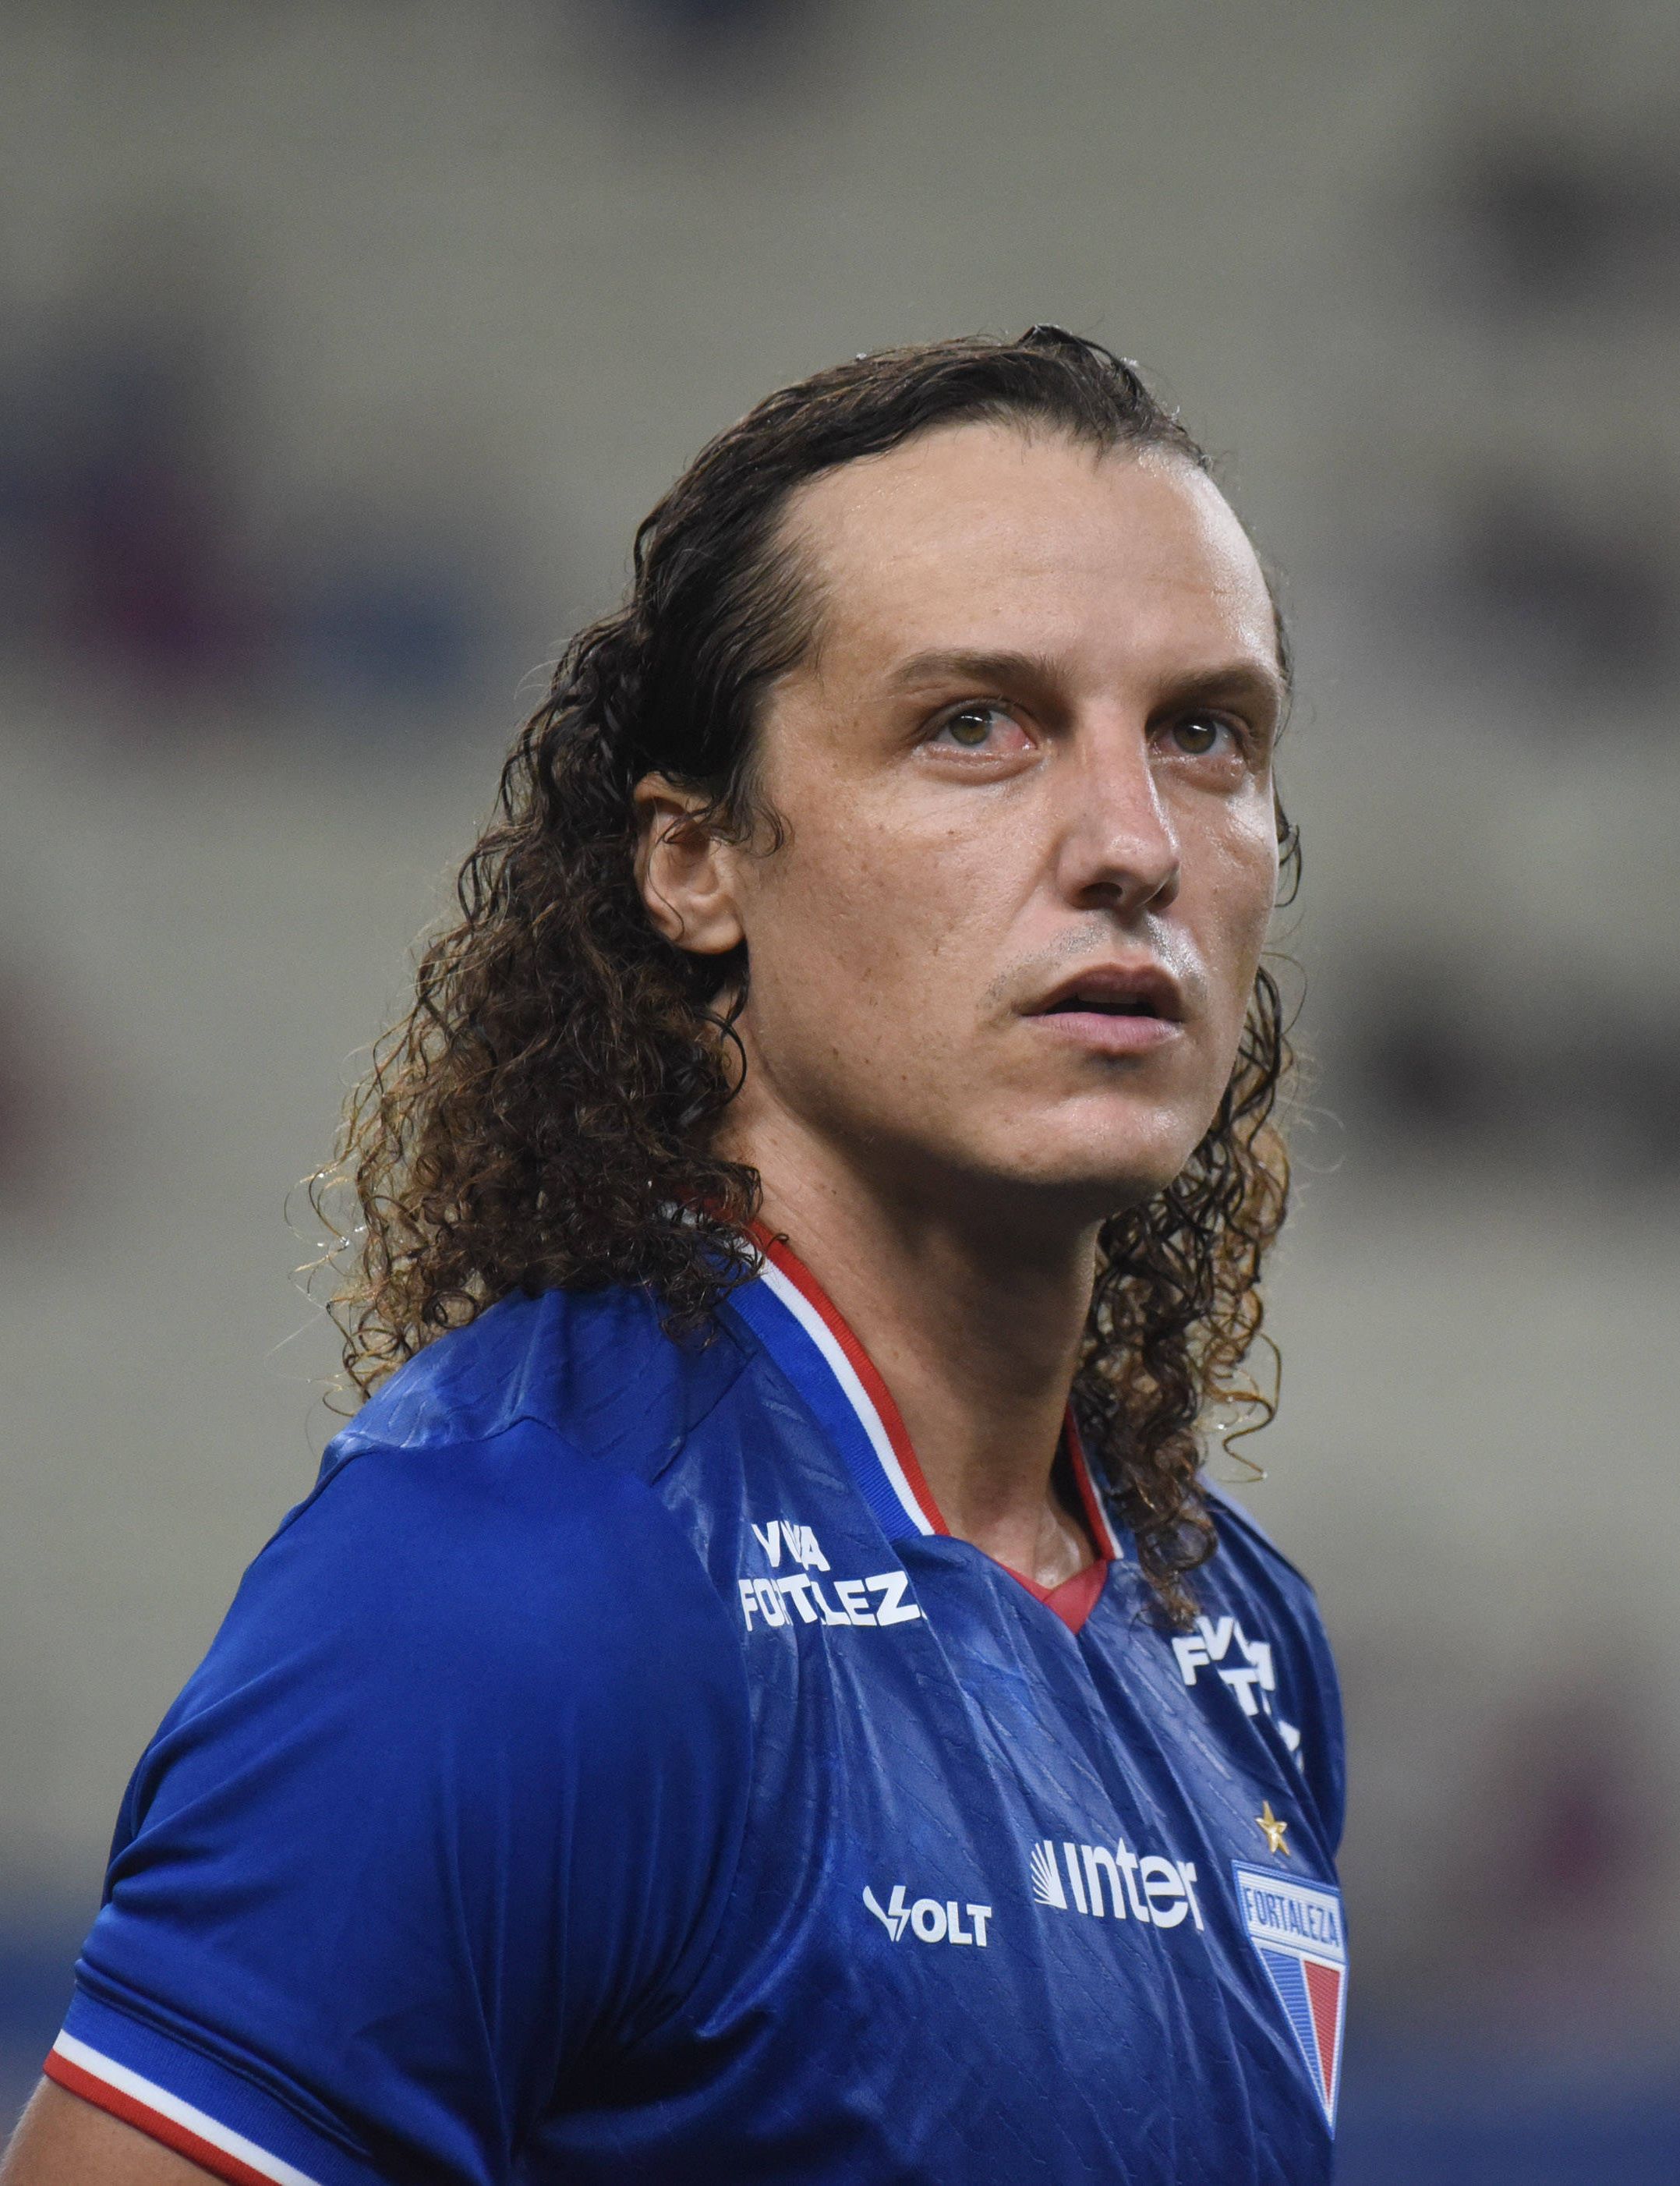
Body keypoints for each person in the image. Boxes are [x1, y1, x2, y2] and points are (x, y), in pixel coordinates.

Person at [2, 329, 1346, 2186]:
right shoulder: (514, 1581)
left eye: (1204, 733)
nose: (1132, 842)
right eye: (975, 724)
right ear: (695, 862)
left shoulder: (1240, 1640)